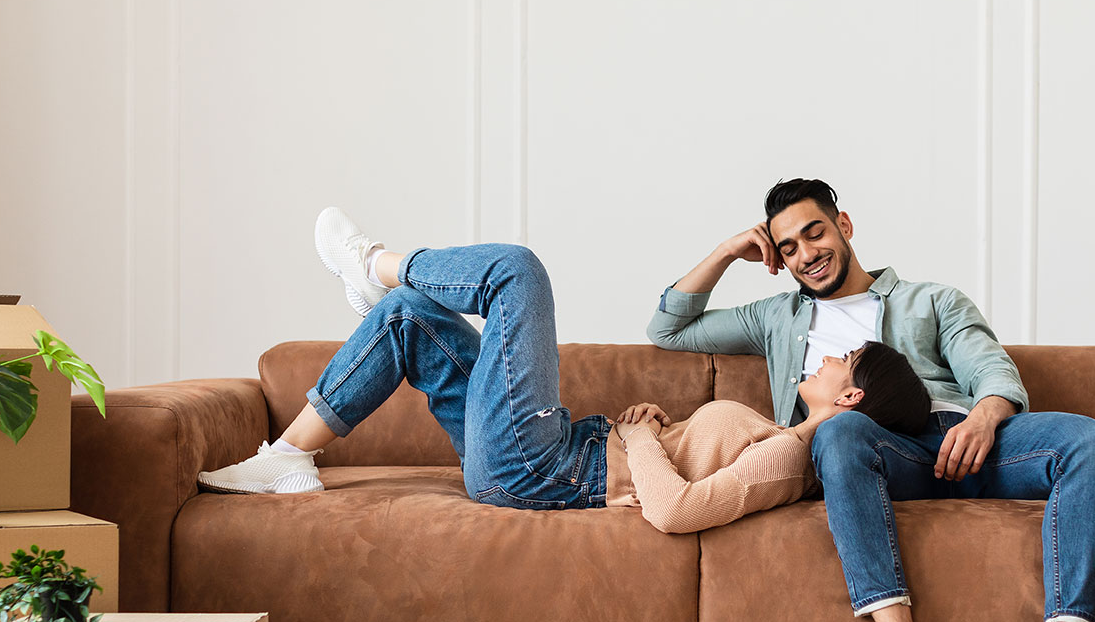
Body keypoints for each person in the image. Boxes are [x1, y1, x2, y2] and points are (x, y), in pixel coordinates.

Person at [646, 178, 1095, 622]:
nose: (806, 254)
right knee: (838, 431)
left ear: (844, 226)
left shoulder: (933, 300)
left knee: (1092, 439)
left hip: (967, 438)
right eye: (788, 247)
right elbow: (667, 328)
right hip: (876, 453)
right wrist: (726, 251)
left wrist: (984, 417)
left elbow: (992, 371)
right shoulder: (775, 317)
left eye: (814, 233)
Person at [196, 208, 932, 537]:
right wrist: (658, 426)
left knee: (517, 272)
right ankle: (289, 457)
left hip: (545, 469)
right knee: (411, 316)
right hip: (555, 455)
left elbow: (675, 512)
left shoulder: (787, 458)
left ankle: (372, 263)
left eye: (841, 359)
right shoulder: (779, 437)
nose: (826, 355)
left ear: (850, 395)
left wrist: (636, 438)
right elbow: (681, 433)